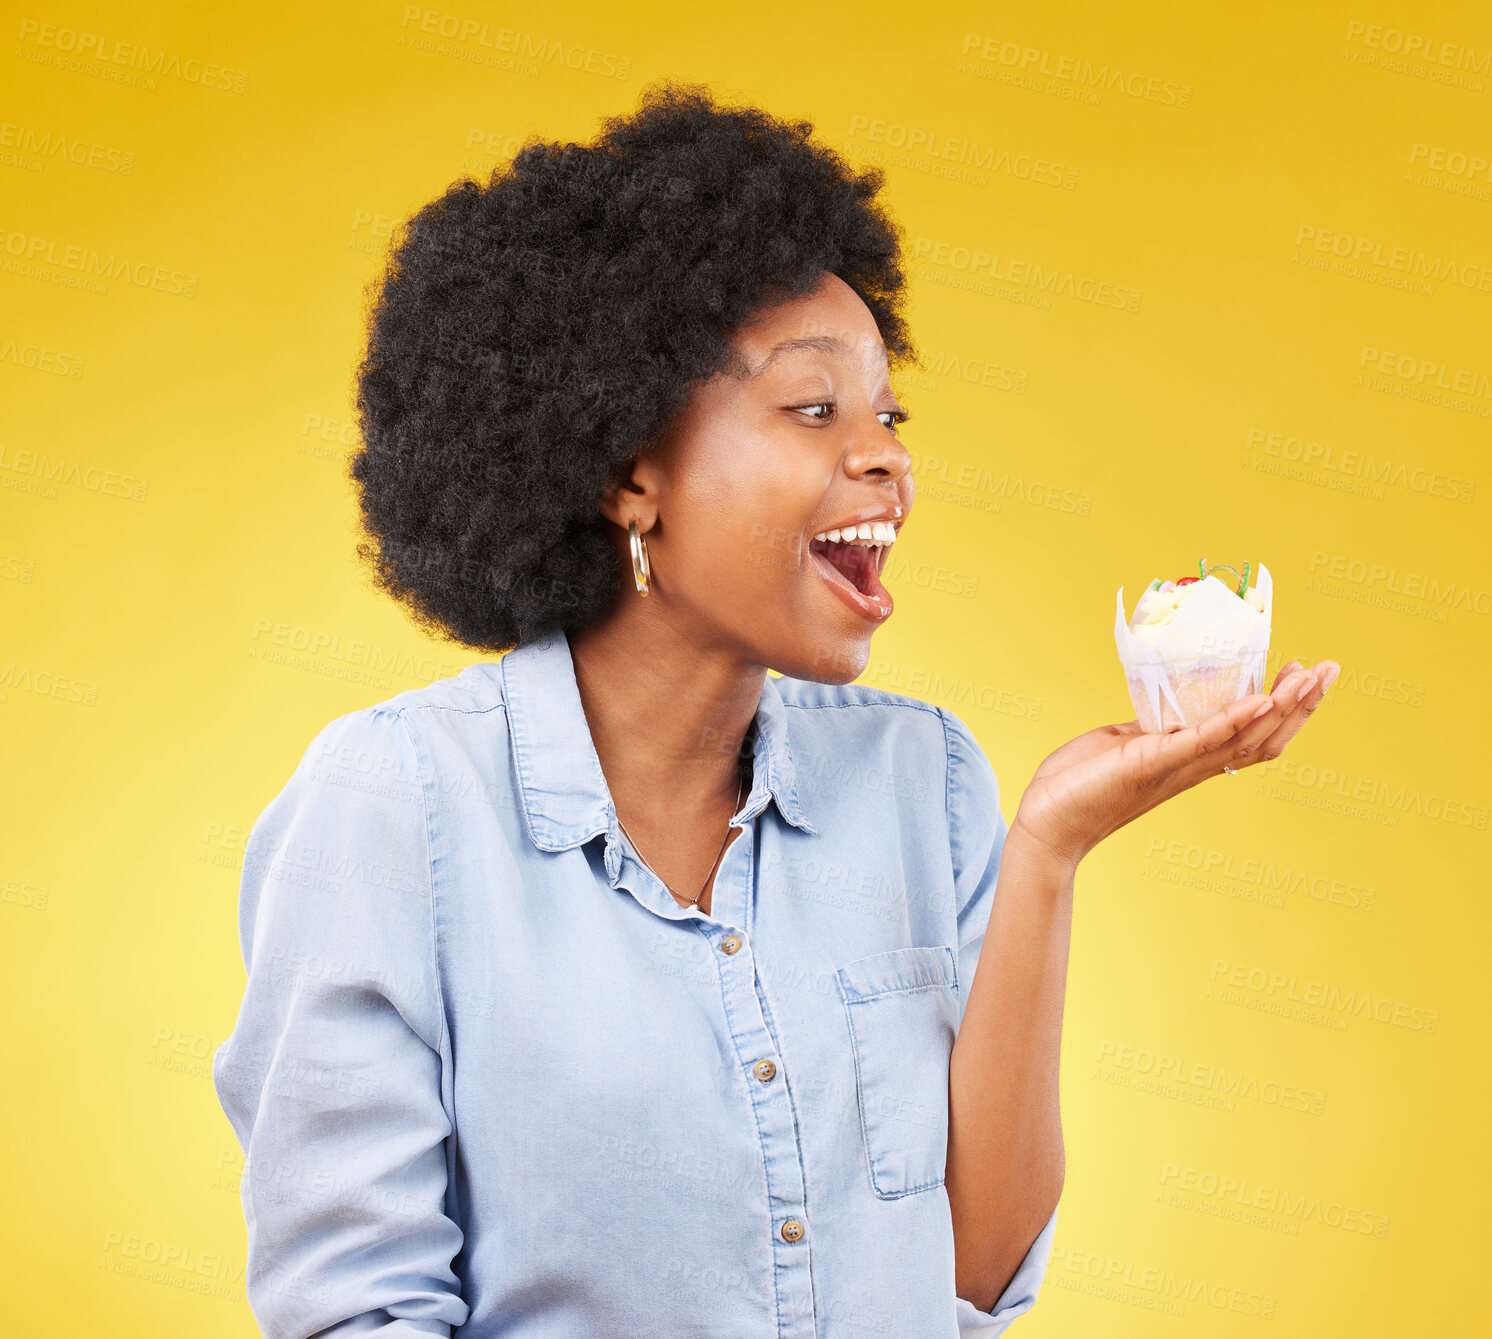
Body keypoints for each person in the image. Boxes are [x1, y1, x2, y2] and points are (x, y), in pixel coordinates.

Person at [213, 79, 1337, 1338]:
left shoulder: (927, 779)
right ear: (627, 471)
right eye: (815, 409)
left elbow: (971, 1273)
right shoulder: (397, 806)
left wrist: (1047, 853)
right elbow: (354, 1310)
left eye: (888, 414)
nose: (887, 458)